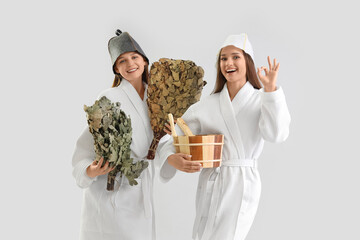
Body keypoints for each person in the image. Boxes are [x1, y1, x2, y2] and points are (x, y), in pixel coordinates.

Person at [159, 33, 291, 240]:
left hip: (241, 183)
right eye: (223, 58)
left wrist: (271, 90)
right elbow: (172, 134)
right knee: (203, 234)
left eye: (235, 57)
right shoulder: (206, 105)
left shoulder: (261, 99)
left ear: (248, 60)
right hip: (210, 180)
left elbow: (277, 134)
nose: (229, 63)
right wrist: (171, 157)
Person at [72, 29, 159, 240]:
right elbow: (84, 148)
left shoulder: (157, 99)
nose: (130, 64)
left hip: (140, 192)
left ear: (145, 61)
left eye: (134, 57)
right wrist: (90, 171)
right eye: (122, 61)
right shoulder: (109, 98)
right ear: (116, 69)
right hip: (110, 191)